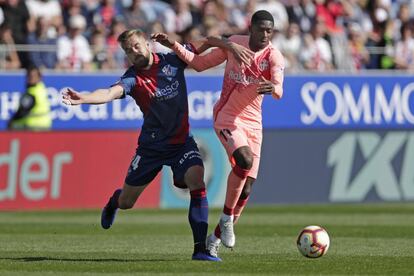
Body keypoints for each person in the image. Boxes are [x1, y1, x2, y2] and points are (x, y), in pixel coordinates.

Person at [61, 29, 221, 262]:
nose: (133, 52)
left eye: (136, 46)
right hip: (151, 149)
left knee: (197, 180)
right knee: (128, 202)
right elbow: (108, 93)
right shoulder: (133, 78)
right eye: (127, 50)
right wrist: (84, 98)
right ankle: (114, 201)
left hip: (181, 143)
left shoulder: (173, 59)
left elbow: (202, 44)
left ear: (147, 44)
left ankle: (200, 250)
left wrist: (225, 42)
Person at [153, 10, 285, 258]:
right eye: (261, 29)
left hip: (253, 124)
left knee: (247, 190)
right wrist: (173, 45)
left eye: (270, 30)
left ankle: (213, 238)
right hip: (226, 117)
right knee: (244, 160)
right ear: (252, 28)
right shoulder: (235, 43)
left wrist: (273, 88)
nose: (266, 34)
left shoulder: (274, 56)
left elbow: (279, 88)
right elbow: (199, 63)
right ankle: (226, 219)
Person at [8, 66, 52, 130]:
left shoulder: (32, 93)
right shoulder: (41, 88)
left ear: (39, 78)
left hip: (35, 126)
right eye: (29, 76)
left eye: (33, 76)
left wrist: (11, 121)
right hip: (45, 125)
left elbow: (23, 111)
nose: (30, 78)